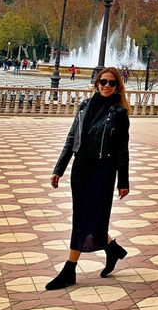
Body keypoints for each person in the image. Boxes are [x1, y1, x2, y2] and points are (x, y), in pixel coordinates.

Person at [46, 67, 130, 291]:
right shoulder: (84, 107)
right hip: (81, 169)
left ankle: (69, 269)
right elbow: (71, 138)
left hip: (103, 170)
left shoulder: (119, 113)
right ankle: (113, 249)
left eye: (112, 83)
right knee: (86, 217)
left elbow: (123, 150)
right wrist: (59, 169)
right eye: (103, 81)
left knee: (86, 219)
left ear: (117, 87)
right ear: (96, 83)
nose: (106, 86)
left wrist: (123, 181)